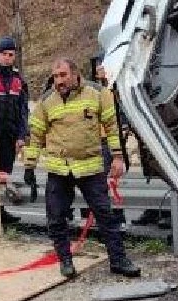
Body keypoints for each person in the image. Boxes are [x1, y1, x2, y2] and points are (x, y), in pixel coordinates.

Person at [24, 57, 141, 280]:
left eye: (63, 75)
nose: (58, 81)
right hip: (60, 170)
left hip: (90, 168)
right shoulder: (47, 100)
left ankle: (118, 260)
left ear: (75, 74)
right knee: (56, 217)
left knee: (105, 216)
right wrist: (29, 166)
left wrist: (117, 157)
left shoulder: (97, 93)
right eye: (56, 76)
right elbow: (36, 133)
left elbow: (112, 127)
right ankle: (65, 261)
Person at [0, 37, 29, 182]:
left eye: (11, 55)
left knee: (4, 176)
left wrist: (21, 136)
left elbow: (23, 111)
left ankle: (2, 204)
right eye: (4, 54)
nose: (7, 57)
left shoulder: (18, 79)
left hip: (10, 136)